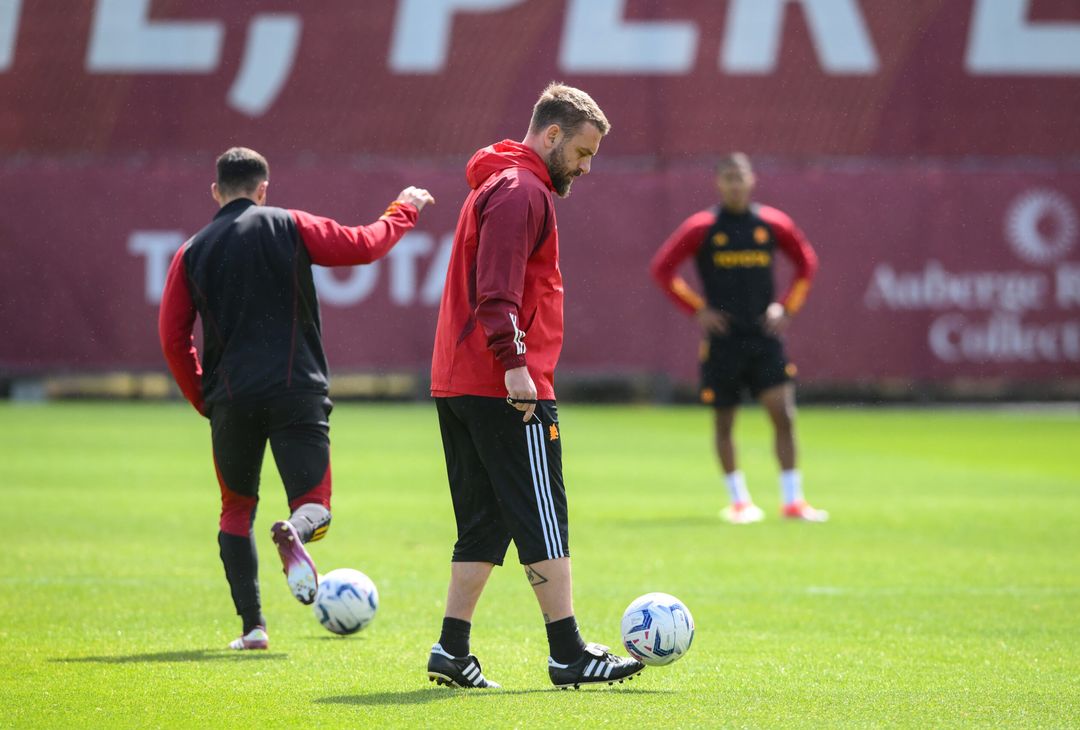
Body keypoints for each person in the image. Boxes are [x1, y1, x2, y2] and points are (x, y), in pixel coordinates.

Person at [158, 147, 434, 649]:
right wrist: (404, 209)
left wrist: (203, 397)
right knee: (314, 504)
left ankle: (253, 628)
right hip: (297, 391)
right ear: (263, 190)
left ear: (216, 192)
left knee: (235, 510)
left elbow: (173, 338)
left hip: (231, 399)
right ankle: (295, 531)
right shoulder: (289, 224)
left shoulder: (192, 250)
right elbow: (364, 246)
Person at [426, 83, 644, 689]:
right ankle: (568, 652)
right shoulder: (523, 189)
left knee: (485, 520)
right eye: (582, 151)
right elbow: (497, 289)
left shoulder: (499, 182)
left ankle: (451, 649)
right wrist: (515, 363)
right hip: (504, 383)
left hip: (462, 380)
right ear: (551, 135)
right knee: (542, 514)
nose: (586, 166)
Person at [650, 152, 827, 525]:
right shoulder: (703, 227)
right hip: (724, 340)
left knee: (784, 415)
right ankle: (739, 502)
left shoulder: (772, 224)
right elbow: (662, 269)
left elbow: (806, 262)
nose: (735, 184)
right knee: (724, 422)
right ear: (718, 183)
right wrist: (698, 309)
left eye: (740, 177)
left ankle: (793, 501)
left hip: (764, 336)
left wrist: (787, 308)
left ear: (751, 180)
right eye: (728, 178)